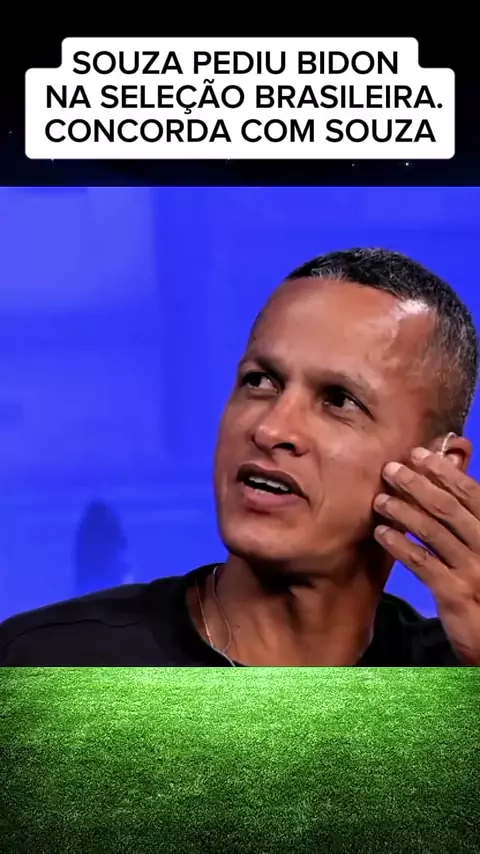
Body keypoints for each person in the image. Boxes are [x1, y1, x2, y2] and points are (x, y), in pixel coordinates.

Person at [2, 247, 480, 667]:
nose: (271, 429)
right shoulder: (47, 666)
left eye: (339, 400)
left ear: (440, 465)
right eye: (260, 381)